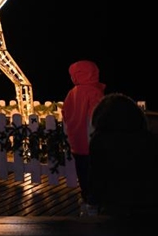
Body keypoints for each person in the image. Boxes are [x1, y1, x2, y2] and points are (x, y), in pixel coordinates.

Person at [88, 92, 158, 216]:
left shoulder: (99, 140)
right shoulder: (148, 138)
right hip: (147, 202)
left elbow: (97, 175)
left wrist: (94, 200)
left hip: (113, 203)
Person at [61, 59, 105, 216]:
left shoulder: (72, 93)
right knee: (95, 175)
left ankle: (86, 200)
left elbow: (65, 115)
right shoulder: (94, 92)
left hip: (76, 143)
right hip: (90, 143)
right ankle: (93, 204)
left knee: (82, 174)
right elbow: (96, 116)